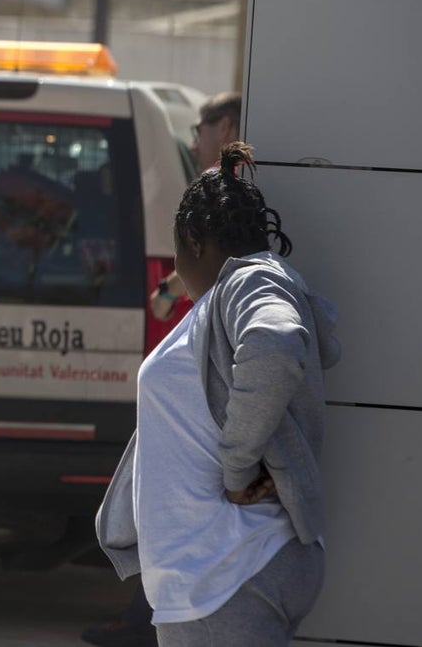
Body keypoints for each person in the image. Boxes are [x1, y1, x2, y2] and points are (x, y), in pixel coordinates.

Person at [96, 142, 340, 646]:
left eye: (176, 253)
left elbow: (275, 344)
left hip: (228, 571)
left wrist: (236, 467)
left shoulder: (248, 280)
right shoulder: (225, 300)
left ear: (193, 241)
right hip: (219, 574)